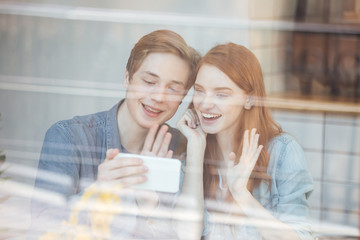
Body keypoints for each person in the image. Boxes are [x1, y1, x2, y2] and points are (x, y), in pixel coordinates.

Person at [30, 29, 202, 239]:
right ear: (127, 78)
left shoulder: (181, 148)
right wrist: (98, 194)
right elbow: (41, 229)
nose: (158, 96)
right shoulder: (69, 138)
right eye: (149, 82)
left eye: (173, 89)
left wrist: (150, 209)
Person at [177, 43, 314, 239]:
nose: (205, 104)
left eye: (221, 94)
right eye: (199, 91)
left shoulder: (282, 152)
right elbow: (185, 235)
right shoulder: (192, 149)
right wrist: (196, 150)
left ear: (249, 99)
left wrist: (242, 194)